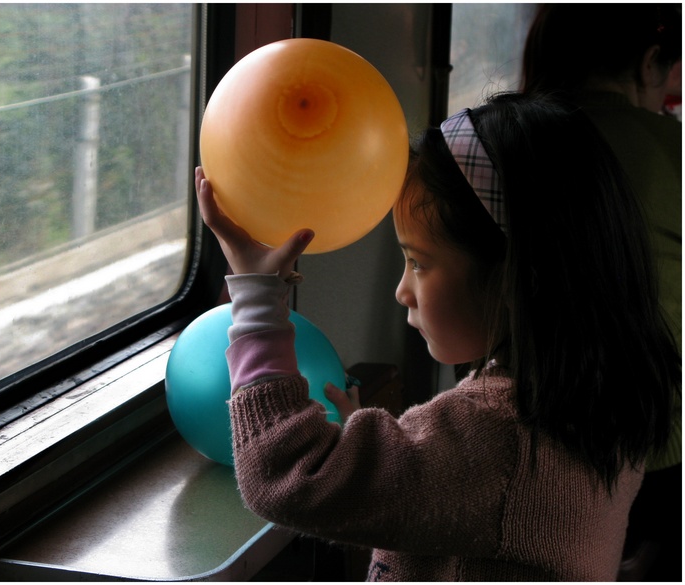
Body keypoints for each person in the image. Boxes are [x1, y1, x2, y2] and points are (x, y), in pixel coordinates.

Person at [194, 91, 679, 581]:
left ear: (515, 277)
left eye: (419, 262)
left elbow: (285, 474)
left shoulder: (499, 443)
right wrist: (377, 452)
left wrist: (257, 300)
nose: (402, 291)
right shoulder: (600, 397)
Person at [522, 6, 682, 579]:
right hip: (658, 441)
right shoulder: (670, 148)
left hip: (529, 431)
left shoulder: (507, 140)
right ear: (648, 64)